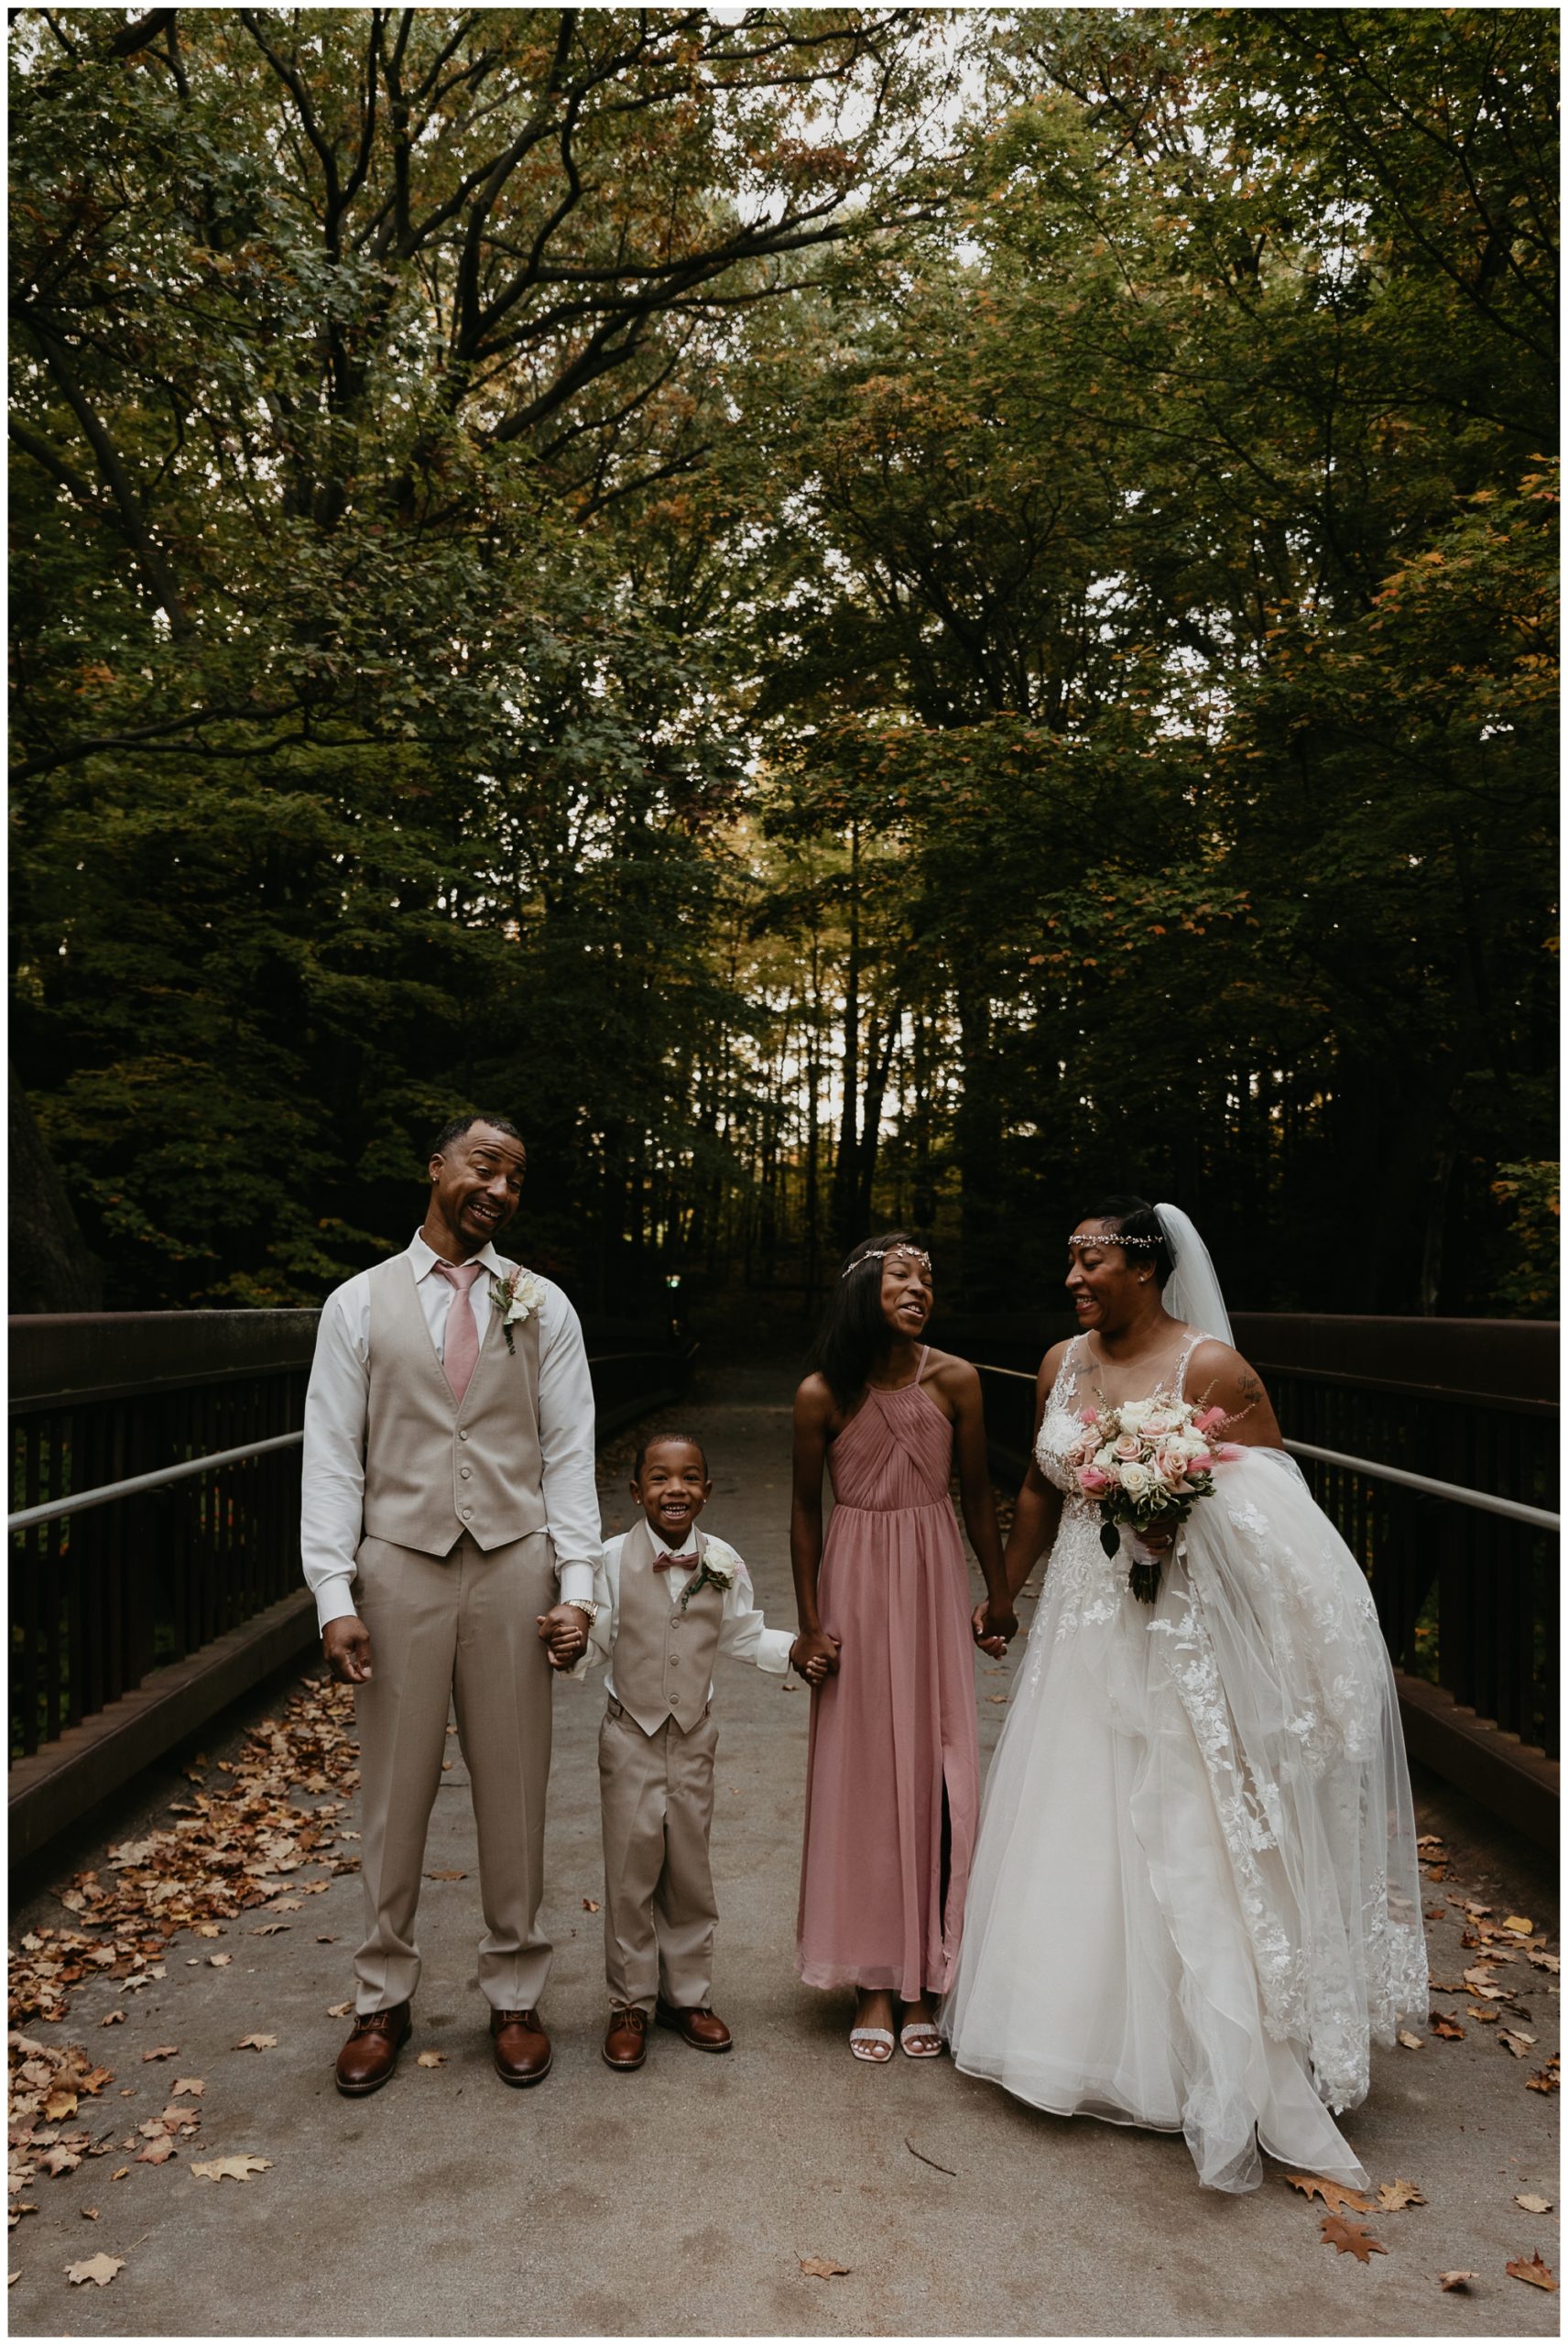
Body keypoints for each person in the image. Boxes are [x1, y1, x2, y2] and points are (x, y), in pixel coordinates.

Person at [942, 1196, 1427, 2191]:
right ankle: (1074, 2036)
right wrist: (1005, 1591)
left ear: (1146, 1266)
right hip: (1079, 1619)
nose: (1074, 1277)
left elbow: (1273, 1496)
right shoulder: (1058, 1362)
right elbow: (1040, 1485)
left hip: (1173, 1625)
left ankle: (1215, 2047)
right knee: (1077, 1810)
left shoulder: (1207, 1368)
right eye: (1068, 1261)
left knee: (1188, 1820)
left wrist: (1173, 1520)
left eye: (1091, 1260)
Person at [300, 1113, 603, 2096]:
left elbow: (568, 1451)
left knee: (514, 1783)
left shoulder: (542, 1304)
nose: (500, 1188)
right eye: (484, 1166)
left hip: (514, 1561)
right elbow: (332, 1455)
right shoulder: (356, 1304)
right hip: (399, 1563)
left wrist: (579, 1584)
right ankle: (381, 1998)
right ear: (436, 1167)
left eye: (515, 1175)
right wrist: (333, 1591)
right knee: (392, 1792)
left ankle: (515, 1991)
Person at [792, 1234, 1017, 2062]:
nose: (920, 1287)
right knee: (864, 1775)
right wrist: (811, 1623)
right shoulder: (821, 1393)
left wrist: (998, 1595)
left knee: (936, 1763)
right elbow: (805, 1514)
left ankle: (928, 1972)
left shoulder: (956, 1380)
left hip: (930, 1577)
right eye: (901, 1276)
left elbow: (980, 1491)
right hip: (854, 1580)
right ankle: (875, 1981)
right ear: (861, 1290)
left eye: (928, 1278)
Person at [581, 1433, 827, 2071]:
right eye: (659, 1478)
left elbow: (742, 1632)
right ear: (636, 1492)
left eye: (689, 1477)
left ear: (707, 1491)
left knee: (689, 1870)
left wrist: (794, 1651)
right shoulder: (609, 1560)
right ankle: (630, 2001)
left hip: (693, 1735)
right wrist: (565, 1644)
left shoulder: (722, 1560)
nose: (675, 1489)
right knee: (632, 1872)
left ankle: (686, 1996)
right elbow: (597, 1639)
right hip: (629, 1733)